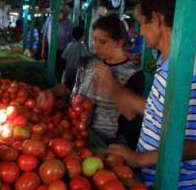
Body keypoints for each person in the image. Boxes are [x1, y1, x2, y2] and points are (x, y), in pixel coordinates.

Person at [96, 0, 196, 190]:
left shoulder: (191, 67)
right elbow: (159, 113)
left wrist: (138, 159)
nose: (140, 32)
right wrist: (115, 90)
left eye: (143, 23)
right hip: (150, 187)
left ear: (159, 19)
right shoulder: (167, 62)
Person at [39, 14, 145, 148]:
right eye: (95, 40)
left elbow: (130, 115)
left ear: (119, 43)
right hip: (75, 133)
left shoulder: (134, 73)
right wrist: (50, 92)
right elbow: (69, 86)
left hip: (107, 143)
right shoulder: (89, 61)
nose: (96, 47)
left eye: (103, 42)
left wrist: (112, 85)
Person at [41, 7, 73, 79]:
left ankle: (57, 84)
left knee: (60, 70)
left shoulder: (70, 23)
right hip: (50, 50)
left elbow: (71, 39)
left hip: (63, 52)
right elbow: (44, 35)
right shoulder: (49, 20)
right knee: (48, 70)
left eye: (66, 14)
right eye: (64, 14)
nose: (65, 16)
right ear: (59, 13)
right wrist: (43, 49)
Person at [61, 26, 90, 90]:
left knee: (67, 88)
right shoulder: (82, 45)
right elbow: (85, 56)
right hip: (77, 73)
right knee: (75, 89)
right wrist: (95, 54)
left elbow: (63, 56)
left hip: (68, 72)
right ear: (83, 36)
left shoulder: (69, 45)